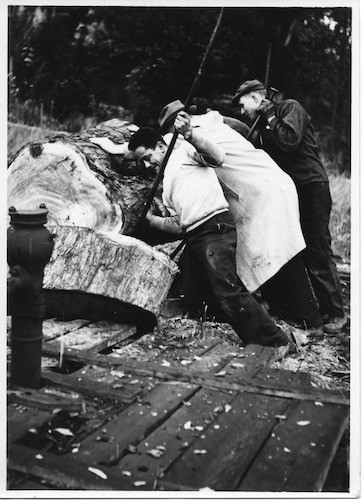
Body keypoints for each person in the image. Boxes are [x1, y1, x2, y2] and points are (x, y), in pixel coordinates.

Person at [127, 110, 294, 350]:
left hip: (214, 229)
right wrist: (152, 221)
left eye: (147, 156)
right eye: (141, 161)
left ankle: (275, 341)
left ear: (159, 145)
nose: (146, 164)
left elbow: (218, 157)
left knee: (227, 290)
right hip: (195, 235)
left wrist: (190, 134)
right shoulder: (167, 184)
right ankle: (205, 330)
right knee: (191, 293)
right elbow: (179, 223)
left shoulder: (184, 150)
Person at [158, 100, 322, 334]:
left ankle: (310, 319)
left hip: (263, 192)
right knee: (267, 252)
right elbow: (241, 129)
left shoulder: (195, 132)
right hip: (263, 187)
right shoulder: (213, 122)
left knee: (281, 252)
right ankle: (284, 309)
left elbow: (200, 152)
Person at [232, 80, 346, 334]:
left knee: (317, 248)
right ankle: (314, 308)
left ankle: (336, 313)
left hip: (312, 186)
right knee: (299, 249)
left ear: (255, 98)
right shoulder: (262, 125)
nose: (242, 112)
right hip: (291, 191)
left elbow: (289, 141)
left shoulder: (288, 108)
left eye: (243, 105)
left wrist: (270, 114)